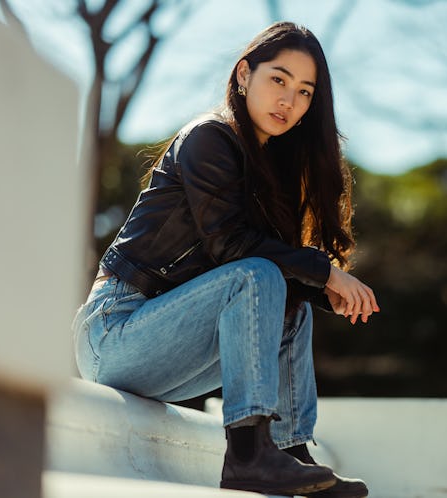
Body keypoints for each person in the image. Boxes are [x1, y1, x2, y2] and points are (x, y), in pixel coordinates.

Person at [71, 21, 379, 498]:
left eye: (304, 91)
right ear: (243, 75)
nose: (289, 101)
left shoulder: (269, 167)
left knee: (289, 303)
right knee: (257, 274)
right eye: (278, 79)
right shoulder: (209, 138)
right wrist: (328, 273)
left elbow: (259, 267)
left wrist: (319, 291)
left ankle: (291, 452)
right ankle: (248, 457)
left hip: (167, 343)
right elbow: (232, 247)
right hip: (115, 331)